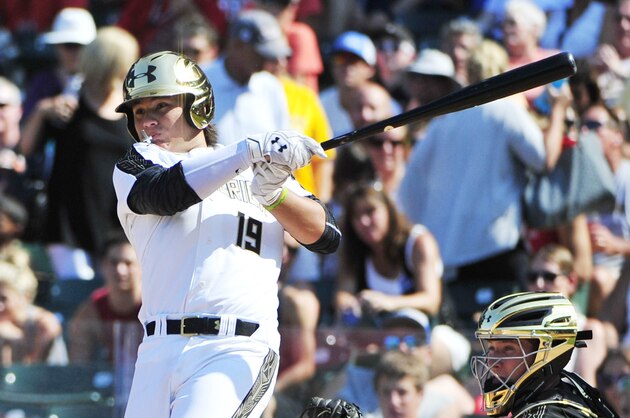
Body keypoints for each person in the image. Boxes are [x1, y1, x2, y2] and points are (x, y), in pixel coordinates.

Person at [112, 51, 340, 418]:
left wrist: (275, 194)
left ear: (197, 108)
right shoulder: (137, 164)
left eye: (161, 107)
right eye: (139, 112)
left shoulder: (259, 170)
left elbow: (325, 235)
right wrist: (248, 151)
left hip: (236, 346)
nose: (148, 122)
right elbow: (165, 194)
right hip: (156, 350)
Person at [21, 26, 140, 260]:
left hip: (119, 229)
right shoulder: (68, 102)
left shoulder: (135, 109)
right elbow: (26, 148)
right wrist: (42, 111)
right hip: (69, 231)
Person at [470, 291, 619, 417]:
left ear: (545, 352)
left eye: (508, 349)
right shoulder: (565, 399)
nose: (492, 363)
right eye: (491, 348)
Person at [335, 183, 442, 328]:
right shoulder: (354, 251)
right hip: (380, 336)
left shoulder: (418, 242)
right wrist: (349, 304)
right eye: (356, 216)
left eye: (370, 211)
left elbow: (431, 301)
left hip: (435, 331)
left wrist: (388, 302)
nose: (364, 222)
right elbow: (343, 293)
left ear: (389, 209)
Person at [204, 9, 291, 146]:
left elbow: (282, 145)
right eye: (259, 53)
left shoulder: (271, 86)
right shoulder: (198, 81)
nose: (265, 60)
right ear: (236, 45)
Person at [526, 244, 608, 386]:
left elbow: (586, 392)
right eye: (532, 277)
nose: (539, 284)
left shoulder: (589, 330)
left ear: (571, 281)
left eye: (549, 277)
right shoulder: (520, 330)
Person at [67, 234, 142, 364]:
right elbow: (79, 366)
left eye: (128, 263)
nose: (120, 270)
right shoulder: (91, 311)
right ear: (102, 266)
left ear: (142, 266)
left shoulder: (155, 307)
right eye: (113, 263)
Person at [0, 260, 66, 365]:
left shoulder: (45, 325)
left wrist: (16, 339)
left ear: (25, 297)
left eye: (3, 299)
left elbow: (32, 374)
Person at [320, 31, 378, 137]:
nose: (347, 67)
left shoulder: (387, 107)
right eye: (340, 59)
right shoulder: (320, 104)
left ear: (370, 69)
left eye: (354, 60)